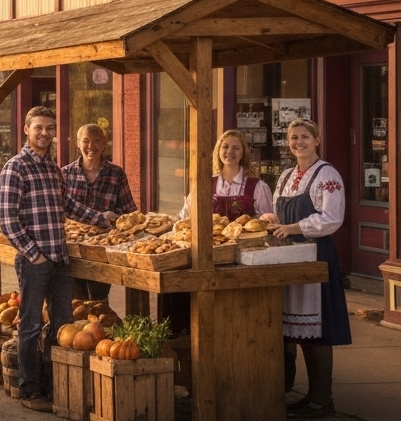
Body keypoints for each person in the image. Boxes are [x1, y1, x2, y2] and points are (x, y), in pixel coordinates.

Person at [0, 106, 116, 413]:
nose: (45, 133)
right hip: (35, 262)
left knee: (62, 324)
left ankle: (54, 382)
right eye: (39, 127)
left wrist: (103, 218)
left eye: (50, 128)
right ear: (26, 130)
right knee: (31, 325)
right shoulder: (16, 167)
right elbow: (7, 220)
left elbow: (70, 207)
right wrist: (33, 254)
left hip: (60, 261)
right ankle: (31, 388)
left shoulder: (53, 169)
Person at [160, 129, 278, 335]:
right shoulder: (205, 184)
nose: (229, 151)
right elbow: (185, 217)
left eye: (235, 147)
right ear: (218, 151)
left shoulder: (257, 186)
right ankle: (183, 335)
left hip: (242, 258)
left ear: (243, 153)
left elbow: (266, 223)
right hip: (208, 255)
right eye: (225, 146)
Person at [270, 118, 349, 418]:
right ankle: (306, 395)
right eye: (293, 138)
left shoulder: (327, 174)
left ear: (317, 140)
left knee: (316, 330)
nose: (298, 142)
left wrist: (292, 227)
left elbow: (332, 217)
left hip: (315, 256)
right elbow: (279, 211)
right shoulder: (287, 175)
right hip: (288, 259)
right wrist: (271, 220)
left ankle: (322, 400)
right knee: (293, 328)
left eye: (304, 137)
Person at [61, 123, 135, 301]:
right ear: (78, 144)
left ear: (104, 144)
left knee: (98, 300)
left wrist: (123, 223)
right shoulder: (65, 174)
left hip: (101, 251)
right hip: (70, 248)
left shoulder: (116, 174)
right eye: (85, 141)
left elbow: (129, 212)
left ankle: (100, 327)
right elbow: (58, 210)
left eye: (96, 141)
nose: (90, 146)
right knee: (74, 300)